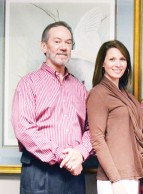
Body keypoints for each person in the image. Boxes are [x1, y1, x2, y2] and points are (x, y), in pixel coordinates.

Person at [11, 21, 93, 194]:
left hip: (74, 174)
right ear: (44, 46)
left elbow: (92, 128)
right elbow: (24, 129)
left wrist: (80, 153)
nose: (64, 47)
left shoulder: (79, 88)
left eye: (68, 42)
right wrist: (63, 157)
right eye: (57, 41)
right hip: (40, 172)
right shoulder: (28, 83)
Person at [86, 40, 143, 194]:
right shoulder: (98, 94)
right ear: (102, 63)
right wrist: (115, 179)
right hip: (114, 178)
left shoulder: (127, 96)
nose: (118, 64)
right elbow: (97, 139)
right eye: (112, 59)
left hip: (131, 173)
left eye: (122, 59)